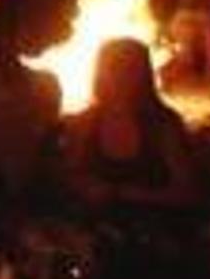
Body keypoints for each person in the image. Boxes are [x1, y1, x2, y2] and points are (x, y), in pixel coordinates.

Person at [61, 38, 201, 221]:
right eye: (114, 68)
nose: (121, 76)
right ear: (101, 73)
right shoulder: (84, 123)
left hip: (154, 225)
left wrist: (122, 194)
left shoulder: (162, 125)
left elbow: (187, 193)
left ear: (144, 74)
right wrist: (83, 186)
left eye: (130, 68)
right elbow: (70, 175)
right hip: (96, 225)